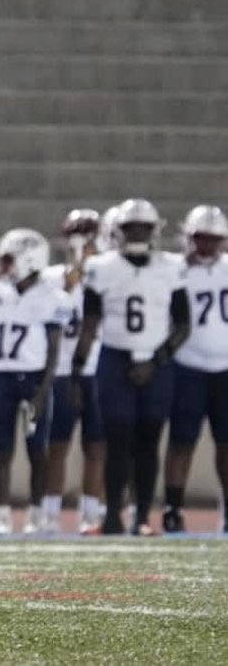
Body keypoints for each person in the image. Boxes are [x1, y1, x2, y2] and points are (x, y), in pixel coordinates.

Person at [73, 198, 191, 536]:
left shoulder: (171, 266)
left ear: (155, 231)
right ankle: (112, 516)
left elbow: (183, 324)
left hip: (157, 361)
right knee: (117, 438)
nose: (137, 232)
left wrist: (155, 361)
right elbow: (90, 323)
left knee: (149, 439)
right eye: (130, 227)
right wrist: (78, 368)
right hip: (115, 358)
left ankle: (141, 517)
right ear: (118, 231)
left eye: (143, 227)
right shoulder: (101, 267)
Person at [0, 229, 68, 535]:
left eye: (8, 259)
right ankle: (3, 516)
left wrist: (43, 393)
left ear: (30, 260)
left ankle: (36, 514)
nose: (3, 266)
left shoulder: (52, 297)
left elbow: (54, 351)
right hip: (3, 377)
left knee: (37, 452)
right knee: (3, 449)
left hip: (33, 379)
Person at [163, 205, 228, 534]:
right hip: (187, 366)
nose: (205, 246)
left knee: (226, 445)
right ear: (188, 237)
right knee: (181, 442)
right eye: (199, 238)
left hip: (225, 368)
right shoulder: (174, 269)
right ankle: (173, 508)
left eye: (212, 239)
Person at [40, 209, 106, 535]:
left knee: (96, 447)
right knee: (58, 446)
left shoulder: (109, 274)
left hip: (97, 369)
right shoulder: (52, 277)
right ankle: (51, 513)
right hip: (63, 371)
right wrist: (68, 288)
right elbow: (47, 316)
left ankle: (91, 513)